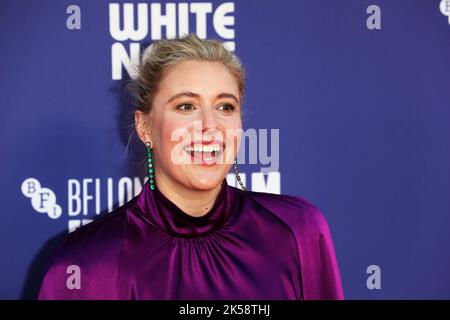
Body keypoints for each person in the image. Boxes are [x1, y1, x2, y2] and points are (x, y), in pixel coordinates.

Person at [38, 34, 343, 300]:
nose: (209, 126)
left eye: (225, 107)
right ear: (144, 127)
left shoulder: (298, 231)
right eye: (186, 106)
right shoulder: (88, 262)